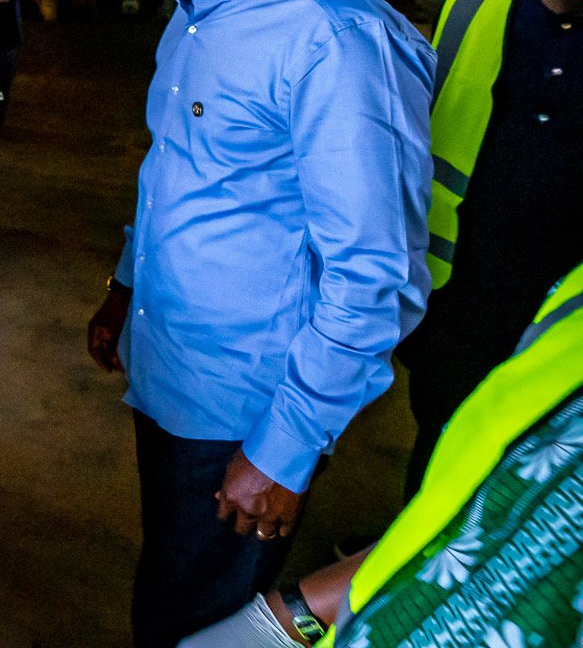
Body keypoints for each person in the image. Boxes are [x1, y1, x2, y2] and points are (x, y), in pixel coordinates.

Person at [82, 0, 435, 648]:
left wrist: (284, 446)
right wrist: (124, 287)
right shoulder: (193, 15)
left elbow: (373, 277)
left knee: (200, 618)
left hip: (244, 404)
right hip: (171, 367)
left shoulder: (333, 39)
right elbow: (174, 172)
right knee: (171, 573)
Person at [179, 257, 583, 647]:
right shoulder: (571, 304)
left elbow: (367, 273)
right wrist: (293, 615)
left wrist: (287, 446)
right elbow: (465, 517)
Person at [395, 0, 583, 497]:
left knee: (539, 474)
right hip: (463, 292)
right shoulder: (476, 1)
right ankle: (407, 577)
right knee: (440, 441)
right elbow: (427, 127)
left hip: (567, 312)